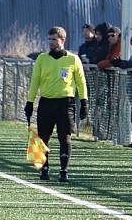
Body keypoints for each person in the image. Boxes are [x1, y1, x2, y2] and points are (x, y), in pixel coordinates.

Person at [25, 26, 88, 182]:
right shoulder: (42, 58)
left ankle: (63, 171)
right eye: (50, 39)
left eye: (54, 39)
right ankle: (44, 169)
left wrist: (84, 101)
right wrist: (30, 102)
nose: (51, 42)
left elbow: (81, 82)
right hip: (46, 103)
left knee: (64, 137)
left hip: (65, 104)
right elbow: (35, 82)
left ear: (63, 40)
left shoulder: (73, 59)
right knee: (43, 137)